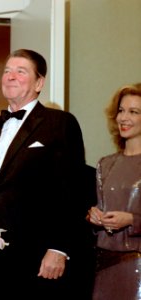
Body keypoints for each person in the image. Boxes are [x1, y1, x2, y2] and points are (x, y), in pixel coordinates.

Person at [0, 49, 88, 299]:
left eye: (20, 71)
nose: (11, 76)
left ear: (39, 83)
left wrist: (59, 248)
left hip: (38, 258)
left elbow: (72, 190)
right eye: (7, 71)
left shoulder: (59, 123)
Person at [87, 83, 141, 300]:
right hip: (103, 266)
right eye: (121, 110)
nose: (123, 118)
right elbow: (98, 210)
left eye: (134, 112)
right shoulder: (105, 164)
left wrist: (131, 220)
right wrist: (93, 217)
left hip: (137, 269)